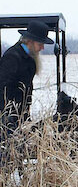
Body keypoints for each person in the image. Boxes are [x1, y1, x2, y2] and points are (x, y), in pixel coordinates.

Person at [0, 20, 54, 158]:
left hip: (19, 116)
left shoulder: (29, 58)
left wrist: (24, 115)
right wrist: (8, 118)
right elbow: (3, 89)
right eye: (40, 44)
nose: (42, 48)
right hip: (7, 118)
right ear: (29, 41)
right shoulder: (12, 57)